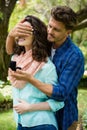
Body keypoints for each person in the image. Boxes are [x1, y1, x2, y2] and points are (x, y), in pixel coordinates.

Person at [6, 6, 84, 130]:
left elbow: (61, 93)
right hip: (37, 114)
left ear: (68, 32)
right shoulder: (46, 41)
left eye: (56, 29)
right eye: (50, 26)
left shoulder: (75, 56)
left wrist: (30, 79)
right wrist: (11, 36)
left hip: (64, 116)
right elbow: (11, 51)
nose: (50, 31)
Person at [7, 15, 64, 130]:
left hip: (42, 124)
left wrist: (30, 107)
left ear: (36, 34)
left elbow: (58, 102)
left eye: (26, 30)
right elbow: (9, 49)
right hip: (21, 123)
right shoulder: (17, 59)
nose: (21, 34)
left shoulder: (46, 66)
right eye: (20, 30)